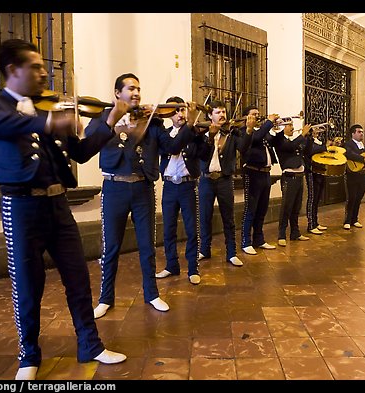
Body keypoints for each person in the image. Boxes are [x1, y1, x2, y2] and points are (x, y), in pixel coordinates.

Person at [0, 38, 126, 380]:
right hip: (21, 207)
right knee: (27, 284)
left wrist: (111, 119)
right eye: (36, 67)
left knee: (78, 278)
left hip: (58, 204)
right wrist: (46, 123)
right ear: (13, 70)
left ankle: (91, 345)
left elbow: (82, 152)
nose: (44, 73)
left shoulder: (48, 110)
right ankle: (29, 355)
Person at [85, 73, 199, 317]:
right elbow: (90, 141)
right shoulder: (104, 117)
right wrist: (115, 122)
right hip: (114, 187)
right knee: (111, 247)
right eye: (130, 89)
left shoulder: (153, 122)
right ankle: (105, 298)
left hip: (142, 188)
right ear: (117, 93)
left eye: (139, 89)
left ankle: (152, 294)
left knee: (147, 246)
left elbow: (172, 147)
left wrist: (188, 125)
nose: (136, 93)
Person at [155, 96, 209, 285]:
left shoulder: (194, 133)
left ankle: (193, 268)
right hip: (169, 185)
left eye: (183, 110)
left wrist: (200, 134)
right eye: (176, 110)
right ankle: (171, 265)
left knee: (191, 228)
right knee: (168, 229)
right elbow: (167, 149)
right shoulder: (163, 134)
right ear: (169, 114)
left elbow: (205, 154)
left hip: (187, 185)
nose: (180, 113)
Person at [198, 100, 253, 266]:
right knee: (205, 216)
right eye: (218, 112)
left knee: (228, 218)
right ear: (210, 115)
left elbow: (243, 148)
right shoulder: (202, 134)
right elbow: (200, 155)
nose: (222, 115)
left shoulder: (233, 133)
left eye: (223, 112)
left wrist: (249, 131)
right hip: (206, 180)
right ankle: (204, 250)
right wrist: (211, 137)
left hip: (224, 180)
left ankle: (231, 252)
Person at [240, 105, 280, 255]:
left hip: (265, 174)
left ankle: (259, 239)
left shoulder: (261, 131)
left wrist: (275, 129)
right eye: (254, 114)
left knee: (262, 209)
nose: (257, 116)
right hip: (252, 173)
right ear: (246, 117)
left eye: (258, 114)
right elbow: (255, 139)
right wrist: (268, 123)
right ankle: (246, 241)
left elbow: (271, 140)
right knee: (250, 209)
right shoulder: (245, 132)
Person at [272, 122, 313, 246]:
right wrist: (302, 134)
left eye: (291, 125)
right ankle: (281, 234)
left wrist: (309, 137)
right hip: (289, 177)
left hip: (300, 175)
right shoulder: (279, 140)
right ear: (282, 128)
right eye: (289, 125)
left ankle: (295, 233)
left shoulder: (294, 140)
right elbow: (290, 147)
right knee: (287, 207)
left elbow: (307, 150)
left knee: (296, 207)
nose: (292, 127)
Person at [304, 127, 329, 235]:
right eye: (316, 128)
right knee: (312, 198)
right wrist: (325, 146)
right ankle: (310, 225)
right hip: (311, 171)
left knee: (317, 198)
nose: (318, 131)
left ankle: (315, 222)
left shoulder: (319, 141)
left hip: (320, 170)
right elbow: (312, 151)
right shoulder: (308, 141)